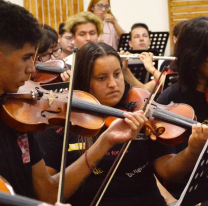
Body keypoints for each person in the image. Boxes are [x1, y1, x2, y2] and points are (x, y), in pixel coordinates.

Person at [0, 1, 147, 204]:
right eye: (26, 57)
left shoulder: (20, 115)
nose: (32, 69)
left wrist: (105, 141)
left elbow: (49, 194)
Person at [36, 41, 208, 206]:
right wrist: (102, 144)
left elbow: (168, 172)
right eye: (102, 78)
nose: (113, 84)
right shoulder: (62, 124)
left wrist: (192, 151)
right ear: (83, 81)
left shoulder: (141, 112)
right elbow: (50, 194)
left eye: (117, 74)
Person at [156, 16, 208, 201]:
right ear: (194, 58)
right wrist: (193, 150)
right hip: (190, 193)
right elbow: (168, 173)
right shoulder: (170, 100)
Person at [122, 21, 187, 93]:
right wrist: (125, 70)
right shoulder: (174, 64)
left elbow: (174, 86)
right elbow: (145, 89)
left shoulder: (195, 62)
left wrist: (151, 68)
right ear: (175, 40)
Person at [61, 11, 103, 81]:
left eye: (92, 33)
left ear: (98, 35)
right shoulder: (67, 64)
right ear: (73, 37)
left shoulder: (107, 59)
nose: (88, 38)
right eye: (82, 34)